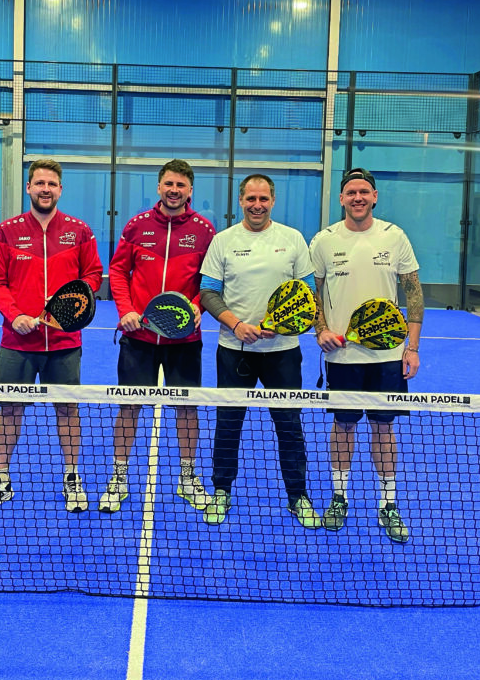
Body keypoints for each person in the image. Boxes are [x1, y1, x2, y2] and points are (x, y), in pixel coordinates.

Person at [0, 158, 103, 516]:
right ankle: (0, 479)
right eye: (39, 183)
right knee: (10, 409)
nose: (46, 189)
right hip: (18, 342)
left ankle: (72, 477)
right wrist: (15, 316)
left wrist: (69, 306)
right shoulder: (7, 231)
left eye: (52, 184)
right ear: (28, 188)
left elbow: (93, 275)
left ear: (61, 190)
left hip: (64, 342)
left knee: (67, 408)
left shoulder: (79, 231)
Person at [309, 166, 424, 544]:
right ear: (341, 199)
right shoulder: (323, 241)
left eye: (364, 192)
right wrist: (321, 330)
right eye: (351, 192)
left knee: (383, 427)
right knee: (342, 426)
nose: (358, 197)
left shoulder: (396, 236)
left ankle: (388, 504)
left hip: (388, 356)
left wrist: (412, 346)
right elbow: (314, 294)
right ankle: (339, 496)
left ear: (374, 197)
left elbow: (414, 293)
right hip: (341, 356)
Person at [199, 173, 319, 529]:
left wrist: (281, 326)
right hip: (234, 349)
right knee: (228, 423)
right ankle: (221, 491)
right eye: (250, 199)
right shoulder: (223, 241)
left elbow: (308, 294)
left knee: (289, 424)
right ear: (241, 201)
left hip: (283, 351)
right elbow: (208, 292)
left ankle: (298, 496)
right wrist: (237, 324)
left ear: (273, 200)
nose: (257, 205)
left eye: (263, 199)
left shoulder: (292, 239)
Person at [100, 160, 216, 513]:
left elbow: (210, 281)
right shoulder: (137, 226)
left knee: (186, 407)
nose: (174, 190)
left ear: (190, 190)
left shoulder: (205, 231)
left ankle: (187, 477)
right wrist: (126, 312)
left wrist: (198, 307)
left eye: (181, 185)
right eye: (168, 183)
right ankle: (119, 477)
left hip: (184, 339)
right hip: (139, 336)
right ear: (159, 186)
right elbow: (118, 271)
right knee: (130, 406)